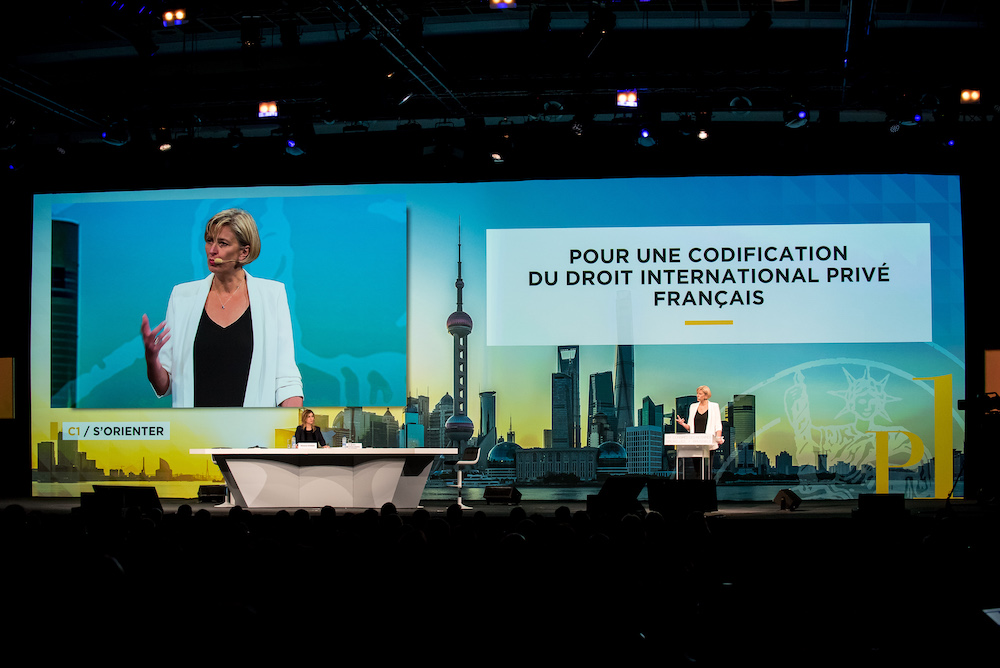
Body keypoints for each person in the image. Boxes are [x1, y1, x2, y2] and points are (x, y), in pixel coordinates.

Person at [141, 208, 303, 407]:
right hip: (192, 426)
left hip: (252, 426)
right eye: (209, 241)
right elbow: (164, 386)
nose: (212, 250)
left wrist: (297, 423)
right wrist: (152, 359)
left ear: (244, 252)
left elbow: (286, 380)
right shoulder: (182, 297)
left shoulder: (272, 296)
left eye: (223, 243)